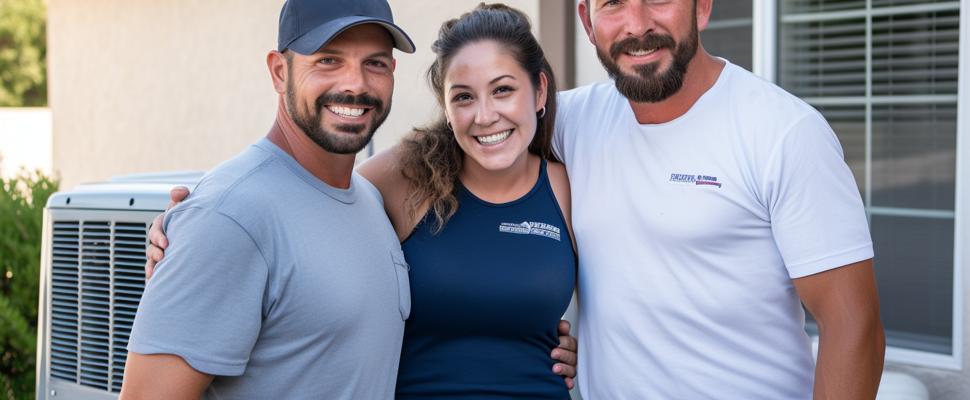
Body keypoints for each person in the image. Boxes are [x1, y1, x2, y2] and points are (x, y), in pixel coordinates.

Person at [130, 1, 577, 399]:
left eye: (375, 63)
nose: (355, 84)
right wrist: (194, 226)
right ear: (279, 71)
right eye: (329, 60)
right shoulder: (227, 217)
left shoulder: (362, 197)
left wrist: (580, 349)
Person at [556, 0, 885, 399]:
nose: (637, 25)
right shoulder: (568, 122)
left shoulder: (783, 132)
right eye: (613, 4)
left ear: (702, 7)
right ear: (587, 23)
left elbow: (853, 326)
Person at [359, 5, 576, 398]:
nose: (485, 115)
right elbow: (321, 205)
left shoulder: (565, 188)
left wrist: (589, 350)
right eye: (463, 97)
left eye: (503, 90)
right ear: (446, 107)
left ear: (539, 90)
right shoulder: (406, 178)